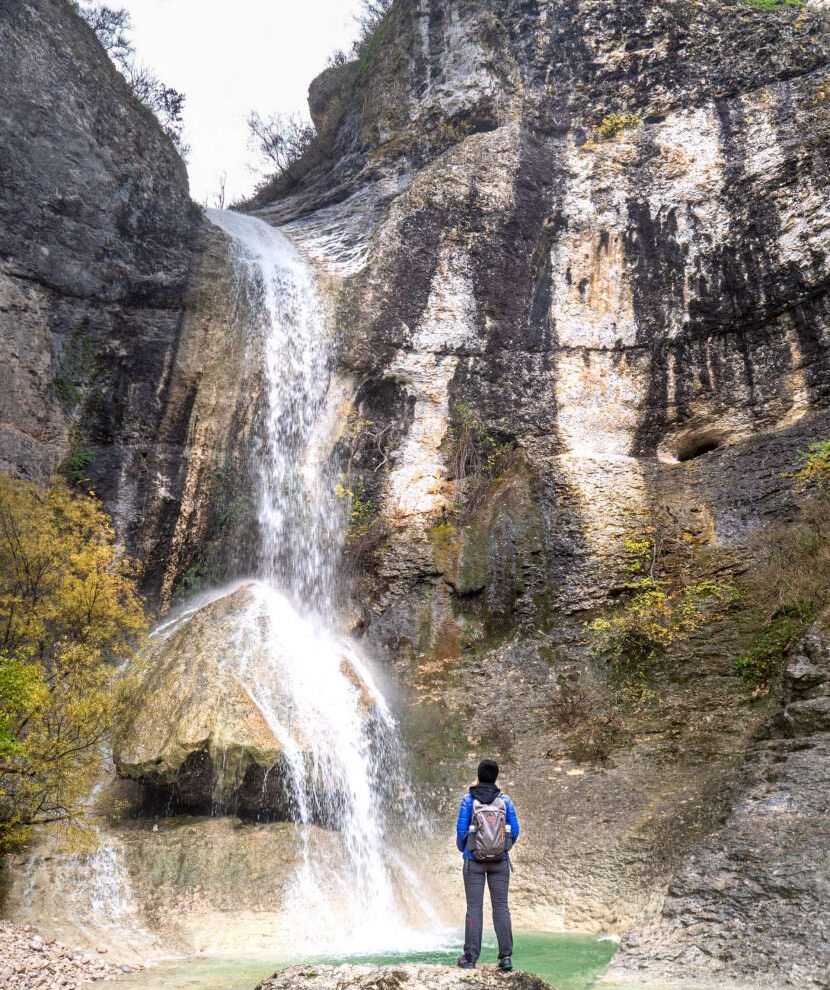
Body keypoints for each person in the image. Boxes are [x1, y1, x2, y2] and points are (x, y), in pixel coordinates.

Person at [455, 759, 520, 971]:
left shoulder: (468, 799)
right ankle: (506, 957)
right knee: (501, 908)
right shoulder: (505, 801)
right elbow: (515, 830)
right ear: (496, 776)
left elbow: (461, 832)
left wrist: (468, 850)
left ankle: (470, 958)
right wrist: (502, 849)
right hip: (500, 862)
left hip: (473, 862)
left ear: (479, 775)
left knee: (474, 908)